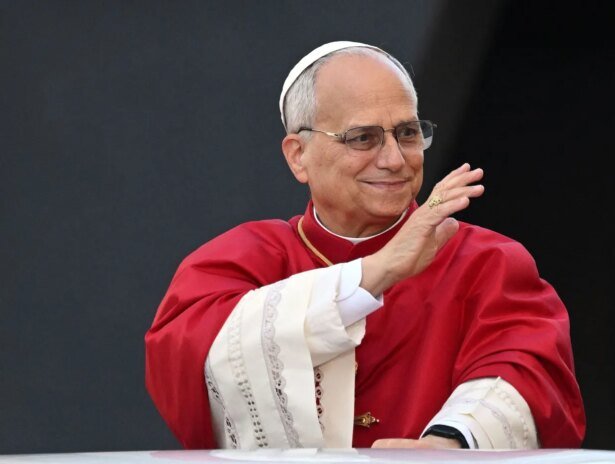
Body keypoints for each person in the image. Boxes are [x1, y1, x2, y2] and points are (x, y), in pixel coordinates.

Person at [145, 41, 586, 450]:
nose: (394, 159)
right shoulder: (239, 258)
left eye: (407, 133)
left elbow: (524, 369)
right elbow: (191, 356)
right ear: (298, 155)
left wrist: (451, 444)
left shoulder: (486, 261)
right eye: (363, 138)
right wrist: (374, 273)